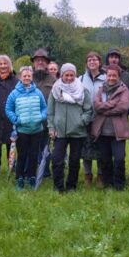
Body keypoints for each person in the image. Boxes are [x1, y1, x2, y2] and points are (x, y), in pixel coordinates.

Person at [47, 63, 93, 192]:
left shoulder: (83, 90)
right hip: (59, 132)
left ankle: (71, 186)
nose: (69, 78)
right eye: (66, 75)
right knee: (57, 160)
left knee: (74, 160)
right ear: (61, 75)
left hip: (78, 132)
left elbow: (88, 110)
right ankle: (58, 187)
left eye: (71, 75)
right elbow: (50, 112)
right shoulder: (55, 90)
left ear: (75, 75)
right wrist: (51, 127)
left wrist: (81, 121)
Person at [5, 66, 48, 191]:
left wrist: (41, 117)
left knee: (34, 156)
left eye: (29, 76)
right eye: (24, 76)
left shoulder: (38, 92)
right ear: (20, 77)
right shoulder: (14, 94)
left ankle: (31, 178)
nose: (27, 78)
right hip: (22, 131)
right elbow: (8, 109)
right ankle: (19, 179)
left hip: (37, 131)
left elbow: (44, 108)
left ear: (32, 77)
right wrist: (16, 120)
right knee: (22, 156)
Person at [91, 65, 129, 190]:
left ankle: (119, 184)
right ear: (106, 76)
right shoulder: (101, 89)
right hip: (102, 131)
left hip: (118, 132)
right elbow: (96, 105)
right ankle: (108, 183)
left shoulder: (124, 90)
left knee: (119, 159)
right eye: (109, 75)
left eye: (114, 75)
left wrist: (106, 109)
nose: (111, 78)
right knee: (105, 160)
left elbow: (123, 107)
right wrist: (113, 103)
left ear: (119, 76)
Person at [80, 51, 107, 185]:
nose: (92, 62)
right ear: (86, 63)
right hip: (85, 119)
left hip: (101, 119)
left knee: (100, 149)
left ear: (99, 62)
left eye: (95, 59)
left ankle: (101, 175)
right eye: (89, 60)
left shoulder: (106, 78)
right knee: (86, 149)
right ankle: (88, 175)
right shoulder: (80, 79)